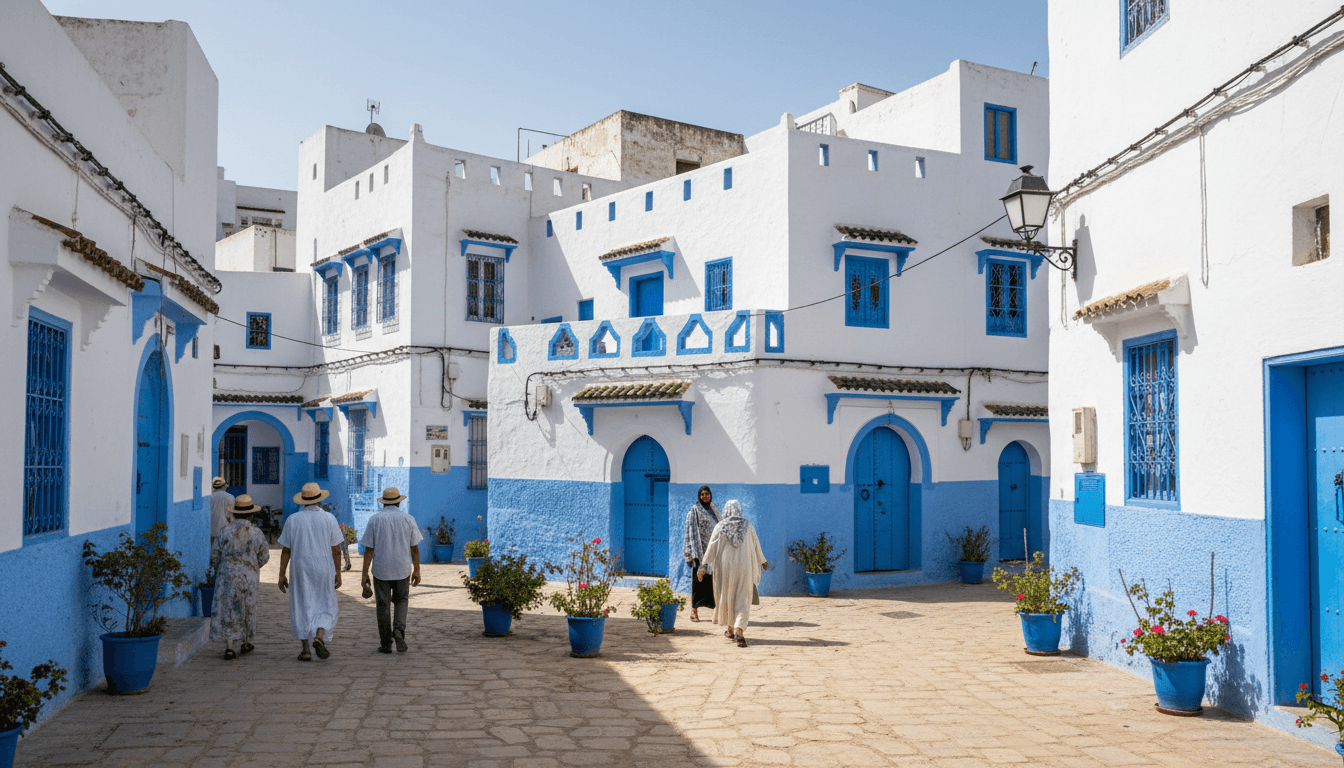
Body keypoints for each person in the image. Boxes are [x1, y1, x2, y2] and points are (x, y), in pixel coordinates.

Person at [277, 482, 343, 662]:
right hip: (323, 567)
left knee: (302, 604)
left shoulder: (293, 519)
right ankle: (319, 636)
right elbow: (336, 549)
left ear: (304, 500)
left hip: (300, 568)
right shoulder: (329, 519)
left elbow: (286, 550)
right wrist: (338, 572)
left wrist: (282, 573)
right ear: (320, 500)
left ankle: (305, 650)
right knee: (325, 602)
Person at [697, 500, 768, 648]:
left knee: (727, 596)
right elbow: (756, 546)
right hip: (745, 568)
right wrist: (762, 561)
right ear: (739, 511)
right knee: (743, 597)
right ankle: (738, 630)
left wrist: (703, 565)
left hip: (725, 569)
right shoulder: (748, 527)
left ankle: (731, 629)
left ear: (726, 512)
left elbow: (711, 548)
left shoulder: (719, 527)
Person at [360, 488, 423, 653]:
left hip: (381, 570)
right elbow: (414, 548)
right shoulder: (408, 519)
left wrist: (364, 573)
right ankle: (399, 630)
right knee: (402, 600)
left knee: (383, 605)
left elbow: (368, 550)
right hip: (402, 568)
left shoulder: (375, 520)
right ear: (399, 501)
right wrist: (417, 569)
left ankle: (386, 643)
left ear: (383, 503)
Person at [208, 494, 270, 660]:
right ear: (251, 515)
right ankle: (246, 641)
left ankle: (229, 646)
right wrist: (252, 566)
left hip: (226, 574)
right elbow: (264, 557)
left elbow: (214, 555)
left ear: (234, 514)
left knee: (228, 608)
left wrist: (222, 568)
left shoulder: (224, 532)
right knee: (247, 607)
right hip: (248, 575)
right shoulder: (256, 533)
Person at [682, 485, 720, 622]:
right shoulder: (694, 511)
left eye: (707, 494)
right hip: (699, 554)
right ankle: (694, 612)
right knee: (698, 584)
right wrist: (693, 555)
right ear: (699, 496)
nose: (705, 496)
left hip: (713, 555)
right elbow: (691, 533)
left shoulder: (714, 509)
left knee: (713, 584)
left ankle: (716, 613)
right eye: (702, 494)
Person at [209, 477, 235, 542]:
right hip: (225, 532)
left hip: (211, 532)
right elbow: (231, 516)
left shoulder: (209, 497)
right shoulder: (230, 497)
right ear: (224, 486)